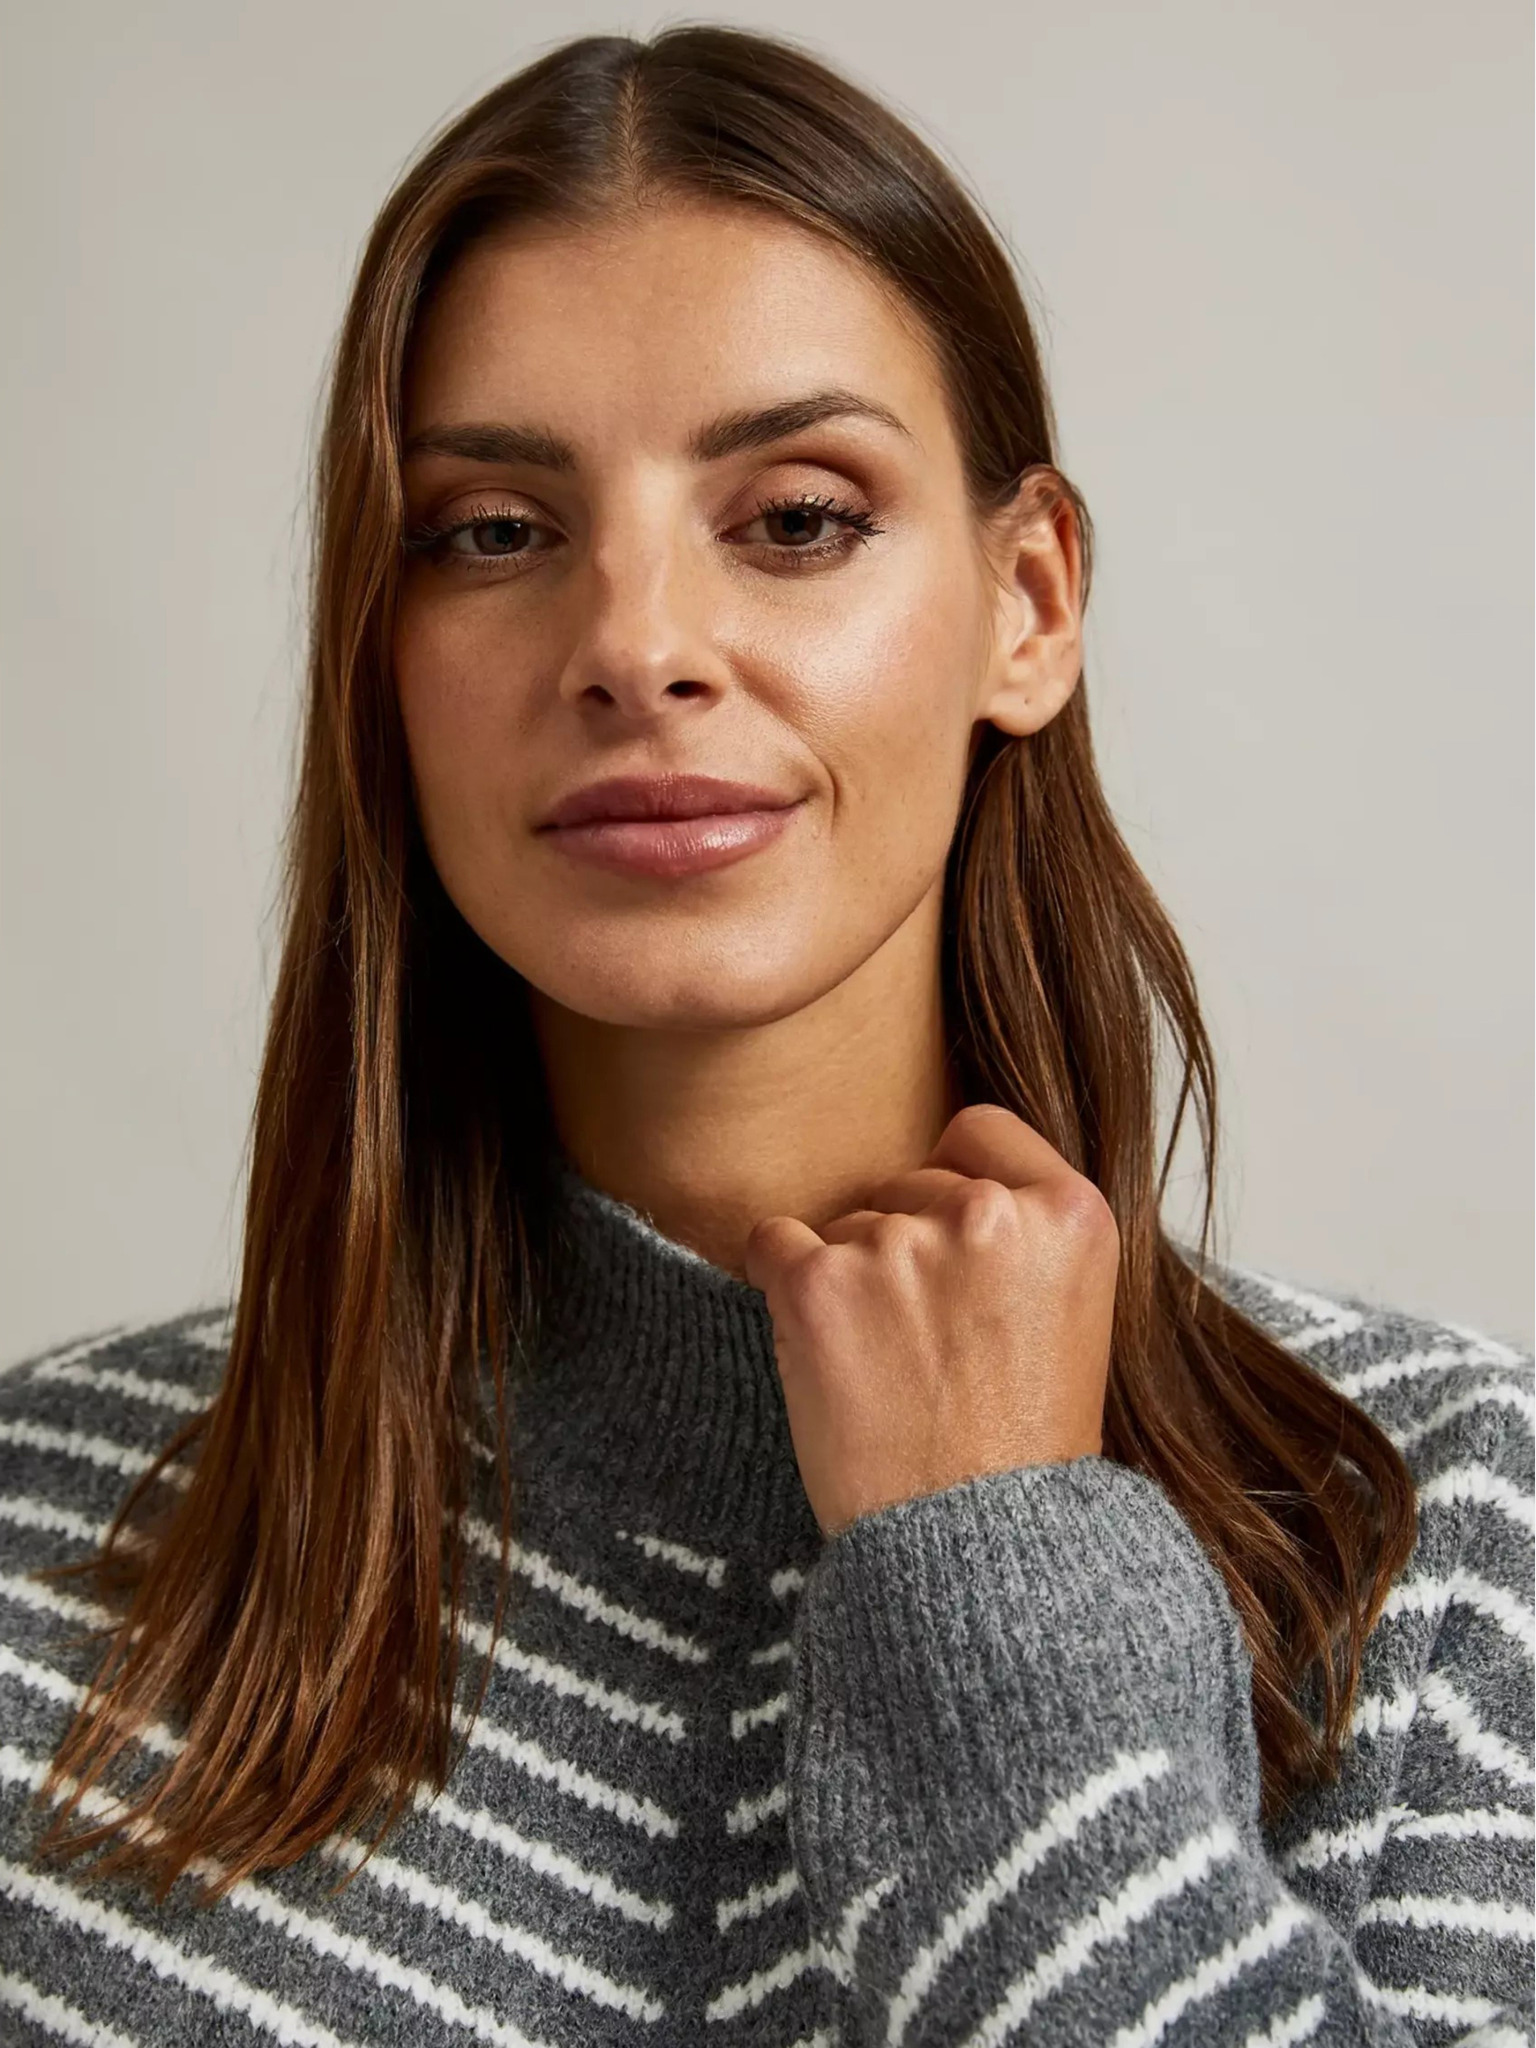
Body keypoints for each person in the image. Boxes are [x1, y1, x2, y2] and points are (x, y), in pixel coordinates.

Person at [1, 23, 1530, 2047]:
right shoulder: (40, 1538)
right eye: (493, 530)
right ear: (380, 643)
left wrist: (995, 1588)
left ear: (1030, 602)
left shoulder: (1438, 1536)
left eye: (798, 518)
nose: (637, 647)